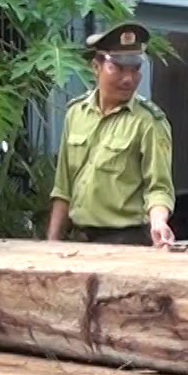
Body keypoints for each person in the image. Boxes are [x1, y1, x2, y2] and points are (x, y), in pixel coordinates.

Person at [46, 20, 177, 249]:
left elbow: (159, 188)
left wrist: (158, 223)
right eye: (117, 68)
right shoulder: (76, 113)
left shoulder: (149, 122)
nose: (129, 79)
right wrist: (51, 244)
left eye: (135, 69)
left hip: (126, 244)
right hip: (79, 243)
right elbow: (63, 188)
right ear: (96, 67)